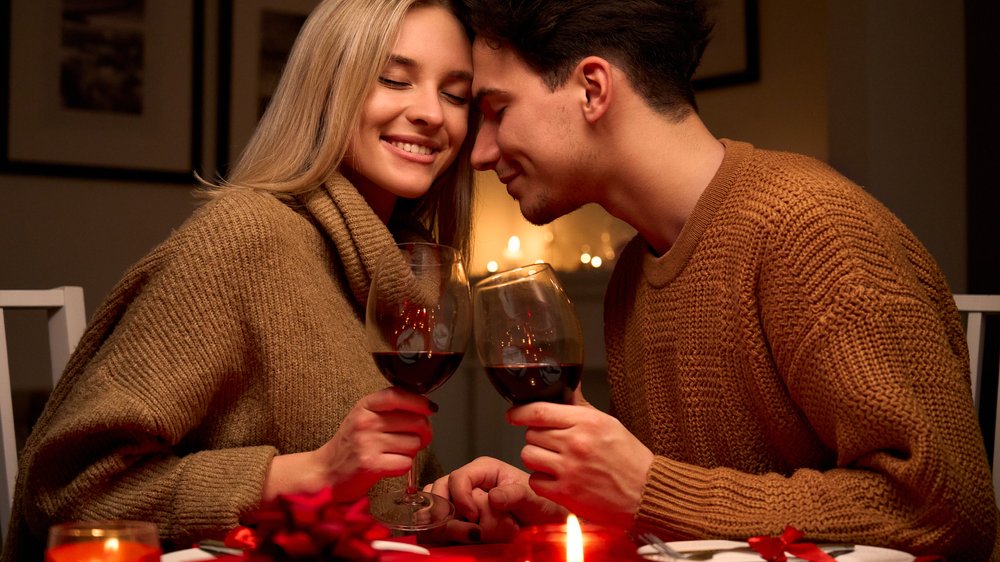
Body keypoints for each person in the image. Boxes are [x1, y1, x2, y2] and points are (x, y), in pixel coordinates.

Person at [426, 0, 1000, 559]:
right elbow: (698, 513)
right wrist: (566, 502)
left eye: (497, 109)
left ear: (593, 89)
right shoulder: (634, 273)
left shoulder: (810, 230)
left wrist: (647, 489)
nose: (477, 151)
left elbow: (945, 508)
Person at [2, 0, 475, 559]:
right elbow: (67, 491)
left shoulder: (404, 267)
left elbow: (358, 504)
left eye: (455, 95)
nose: (432, 113)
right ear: (327, 89)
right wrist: (307, 473)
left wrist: (441, 502)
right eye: (394, 80)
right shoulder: (246, 238)